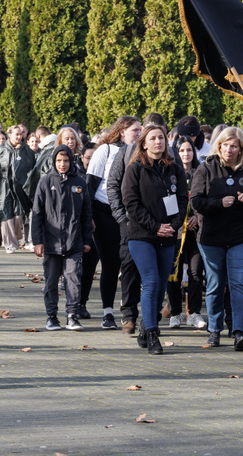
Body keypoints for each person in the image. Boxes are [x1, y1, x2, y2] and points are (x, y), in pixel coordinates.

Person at [191, 127, 243, 350]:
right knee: (215, 284)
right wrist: (218, 203)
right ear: (218, 146)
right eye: (225, 145)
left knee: (239, 283)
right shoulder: (206, 168)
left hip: (242, 236)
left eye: (234, 146)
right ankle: (214, 330)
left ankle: (239, 331)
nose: (229, 150)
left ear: (241, 148)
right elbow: (196, 201)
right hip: (212, 236)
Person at [122, 123, 188, 354]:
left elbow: (182, 200)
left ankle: (146, 325)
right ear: (144, 144)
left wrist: (174, 226)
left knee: (160, 285)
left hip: (167, 235)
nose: (158, 142)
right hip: (142, 235)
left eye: (161, 138)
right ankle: (152, 334)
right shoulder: (135, 169)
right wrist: (155, 226)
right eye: (153, 138)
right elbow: (131, 204)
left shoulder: (175, 169)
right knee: (150, 281)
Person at [106, 113, 162, 334]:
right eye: (139, 131)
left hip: (158, 225)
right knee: (129, 267)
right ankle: (129, 314)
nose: (142, 135)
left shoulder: (167, 158)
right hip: (130, 223)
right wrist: (121, 217)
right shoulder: (125, 153)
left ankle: (152, 317)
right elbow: (112, 185)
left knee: (156, 272)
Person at [84, 116, 142, 326]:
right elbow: (90, 185)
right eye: (135, 130)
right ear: (122, 131)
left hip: (131, 213)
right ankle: (107, 312)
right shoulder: (105, 150)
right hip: (104, 210)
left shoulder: (140, 152)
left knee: (129, 262)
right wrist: (89, 217)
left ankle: (128, 308)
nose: (139, 134)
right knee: (110, 262)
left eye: (140, 130)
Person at [31, 145, 93, 331]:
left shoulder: (79, 183)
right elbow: (37, 214)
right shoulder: (45, 182)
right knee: (51, 282)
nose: (62, 164)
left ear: (71, 161)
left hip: (74, 242)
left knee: (74, 280)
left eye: (66, 160)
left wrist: (87, 240)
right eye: (59, 161)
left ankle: (72, 315)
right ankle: (52, 316)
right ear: (54, 162)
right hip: (51, 243)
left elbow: (86, 214)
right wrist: (37, 241)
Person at [168, 135, 206, 330]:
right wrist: (178, 220)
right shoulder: (170, 172)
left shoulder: (201, 171)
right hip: (176, 229)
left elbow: (205, 197)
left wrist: (196, 217)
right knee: (173, 272)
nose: (185, 154)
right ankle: (175, 313)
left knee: (195, 270)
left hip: (196, 230)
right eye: (181, 150)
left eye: (189, 150)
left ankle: (195, 312)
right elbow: (168, 200)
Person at [0, 126, 36, 253]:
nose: (19, 137)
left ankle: (16, 237)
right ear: (10, 135)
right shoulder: (0, 150)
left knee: (19, 216)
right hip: (3, 187)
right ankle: (9, 244)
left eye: (20, 134)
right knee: (6, 214)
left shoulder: (27, 151)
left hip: (21, 188)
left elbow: (32, 169)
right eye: (16, 134)